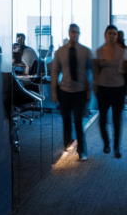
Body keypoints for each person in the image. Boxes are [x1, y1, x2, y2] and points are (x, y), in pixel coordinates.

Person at [50, 23, 92, 161]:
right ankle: (67, 147)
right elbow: (55, 72)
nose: (75, 34)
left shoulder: (85, 51)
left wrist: (89, 90)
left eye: (77, 32)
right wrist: (54, 93)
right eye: (73, 32)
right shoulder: (60, 51)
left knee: (79, 122)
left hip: (80, 92)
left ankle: (82, 151)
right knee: (66, 121)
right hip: (65, 92)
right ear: (69, 33)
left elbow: (90, 72)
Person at [92, 25, 126, 158]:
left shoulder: (123, 51)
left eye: (115, 33)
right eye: (110, 33)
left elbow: (125, 70)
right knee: (103, 118)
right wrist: (95, 86)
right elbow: (95, 71)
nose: (112, 36)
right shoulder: (98, 51)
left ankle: (116, 147)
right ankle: (106, 142)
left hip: (118, 87)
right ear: (105, 35)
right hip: (103, 87)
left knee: (117, 119)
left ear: (117, 36)